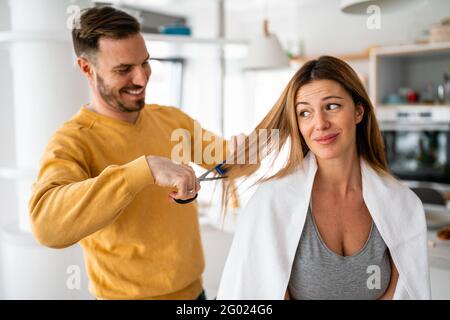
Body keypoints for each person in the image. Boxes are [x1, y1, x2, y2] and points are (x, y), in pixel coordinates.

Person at [28, 6, 226, 300]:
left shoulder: (172, 120)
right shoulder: (73, 141)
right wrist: (142, 170)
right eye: (123, 70)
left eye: (145, 63)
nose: (142, 79)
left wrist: (246, 151)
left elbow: (224, 160)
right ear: (86, 68)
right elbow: (47, 227)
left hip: (195, 295)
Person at [217, 56, 431, 300]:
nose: (319, 124)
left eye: (332, 106)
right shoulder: (272, 202)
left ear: (358, 111)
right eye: (305, 113)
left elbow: (403, 292)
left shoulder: (401, 204)